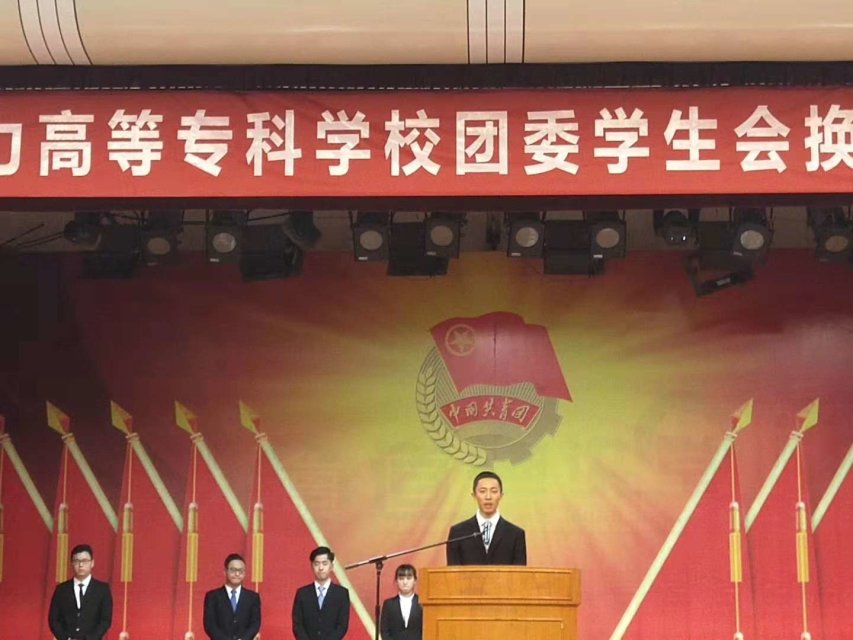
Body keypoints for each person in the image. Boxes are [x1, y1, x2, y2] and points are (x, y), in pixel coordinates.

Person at [446, 471, 527, 566]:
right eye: (482, 491)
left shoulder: (516, 534)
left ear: (501, 496)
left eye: (494, 491)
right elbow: (452, 572)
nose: (488, 497)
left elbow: (519, 573)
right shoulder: (458, 533)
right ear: (474, 496)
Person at [48, 543, 113, 640]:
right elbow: (54, 619)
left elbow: (105, 620)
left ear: (92, 563)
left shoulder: (102, 589)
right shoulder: (61, 590)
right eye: (77, 561)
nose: (81, 565)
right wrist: (66, 638)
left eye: (85, 561)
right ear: (72, 563)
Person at [292, 546, 350, 640]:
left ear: (331, 566)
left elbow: (342, 626)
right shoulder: (302, 594)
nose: (321, 568)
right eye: (317, 564)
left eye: (325, 563)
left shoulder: (341, 594)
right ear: (312, 566)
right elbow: (297, 625)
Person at [203, 553, 261, 640]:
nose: (237, 574)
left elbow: (255, 624)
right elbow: (210, 625)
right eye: (233, 570)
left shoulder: (253, 598)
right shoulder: (212, 596)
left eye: (240, 571)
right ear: (225, 572)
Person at [379, 564, 422, 640]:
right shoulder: (389, 604)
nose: (405, 582)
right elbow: (384, 632)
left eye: (409, 578)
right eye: (401, 579)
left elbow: (428, 629)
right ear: (396, 581)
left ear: (415, 581)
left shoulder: (422, 603)